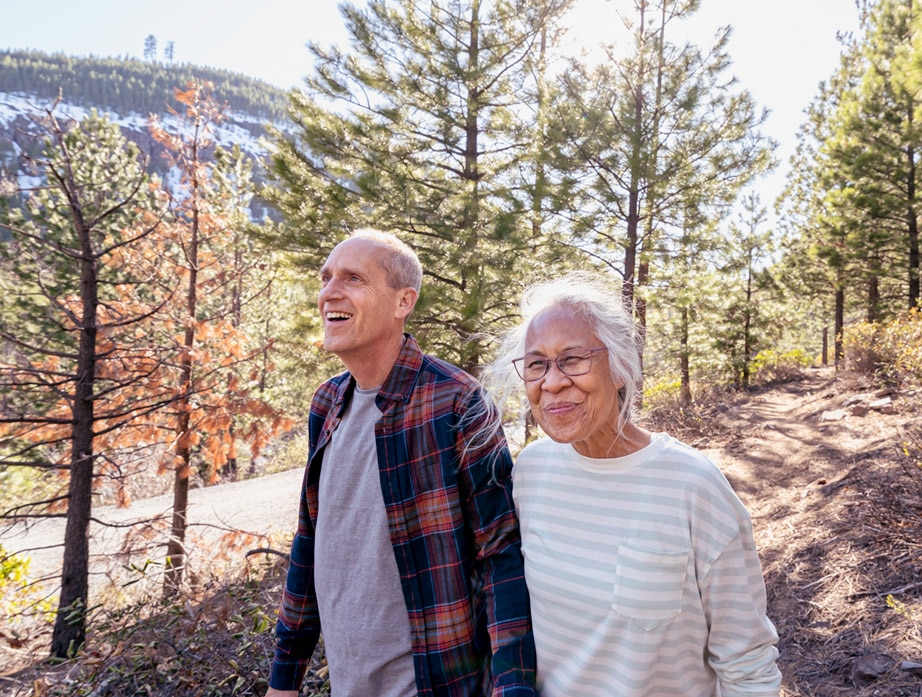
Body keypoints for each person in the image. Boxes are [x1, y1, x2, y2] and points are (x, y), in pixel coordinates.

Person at [480, 273, 783, 697]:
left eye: (572, 359)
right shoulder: (530, 472)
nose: (551, 382)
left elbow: (747, 664)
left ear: (619, 368)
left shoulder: (692, 486)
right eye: (536, 364)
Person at [265, 229, 536, 697]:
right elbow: (309, 542)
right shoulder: (327, 403)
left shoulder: (457, 401)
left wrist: (513, 688)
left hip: (435, 685)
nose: (329, 290)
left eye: (353, 278)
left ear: (402, 302)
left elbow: (501, 556)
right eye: (326, 277)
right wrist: (284, 676)